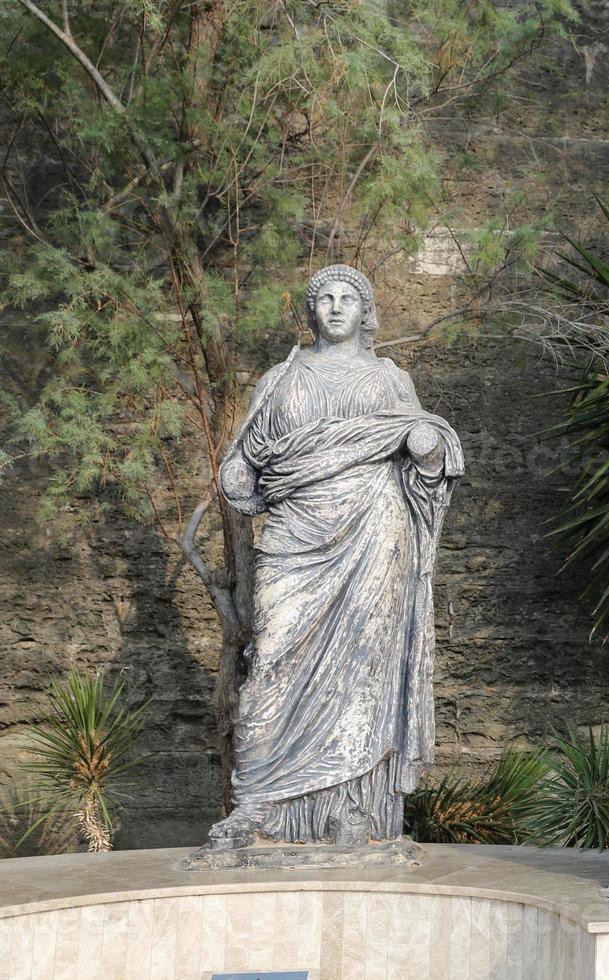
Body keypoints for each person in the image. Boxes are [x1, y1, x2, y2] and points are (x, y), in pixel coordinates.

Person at [206, 264, 462, 850]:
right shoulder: (280, 378)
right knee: (271, 658)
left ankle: (354, 808)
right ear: (311, 310)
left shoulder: (390, 380)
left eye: (349, 297)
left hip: (374, 532)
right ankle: (257, 802)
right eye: (325, 297)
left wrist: (425, 452)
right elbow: (242, 471)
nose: (337, 306)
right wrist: (249, 471)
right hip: (295, 535)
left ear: (366, 311)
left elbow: (427, 459)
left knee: (364, 668)